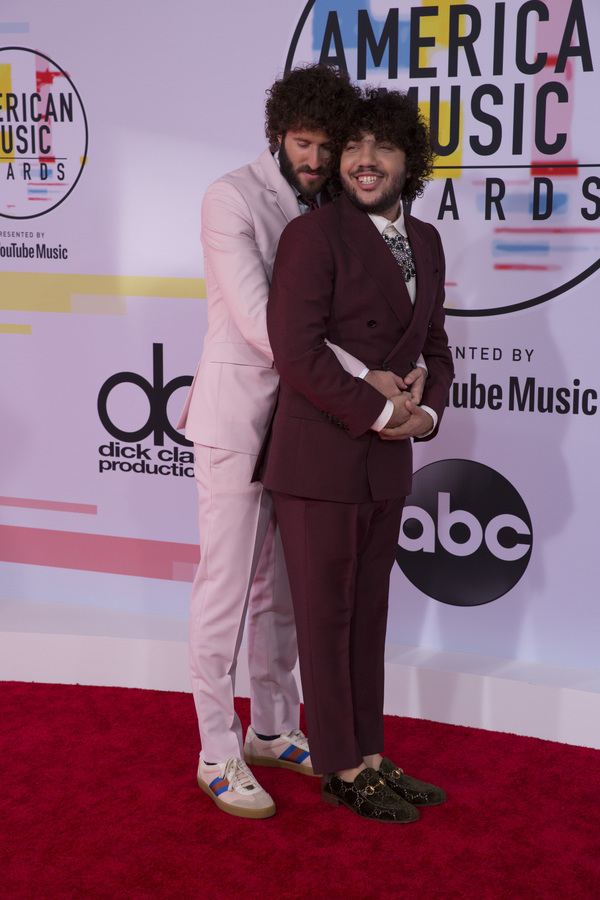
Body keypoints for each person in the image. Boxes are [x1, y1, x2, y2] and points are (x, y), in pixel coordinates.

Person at [177, 67, 425, 820]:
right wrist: (374, 380)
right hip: (236, 420)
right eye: (302, 142)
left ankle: (274, 727)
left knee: (279, 589)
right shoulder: (230, 197)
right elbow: (269, 327)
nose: (316, 159)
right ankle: (217, 749)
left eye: (326, 144)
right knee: (225, 589)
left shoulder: (330, 205)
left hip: (306, 425)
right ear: (277, 134)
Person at [262, 88, 455, 823]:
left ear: (410, 162)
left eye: (383, 148)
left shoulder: (429, 243)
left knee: (367, 616)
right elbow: (297, 354)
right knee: (326, 616)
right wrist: (379, 411)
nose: (365, 161)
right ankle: (341, 767)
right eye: (353, 148)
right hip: (321, 457)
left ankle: (370, 754)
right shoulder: (314, 237)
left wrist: (427, 411)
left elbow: (435, 349)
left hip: (387, 462)